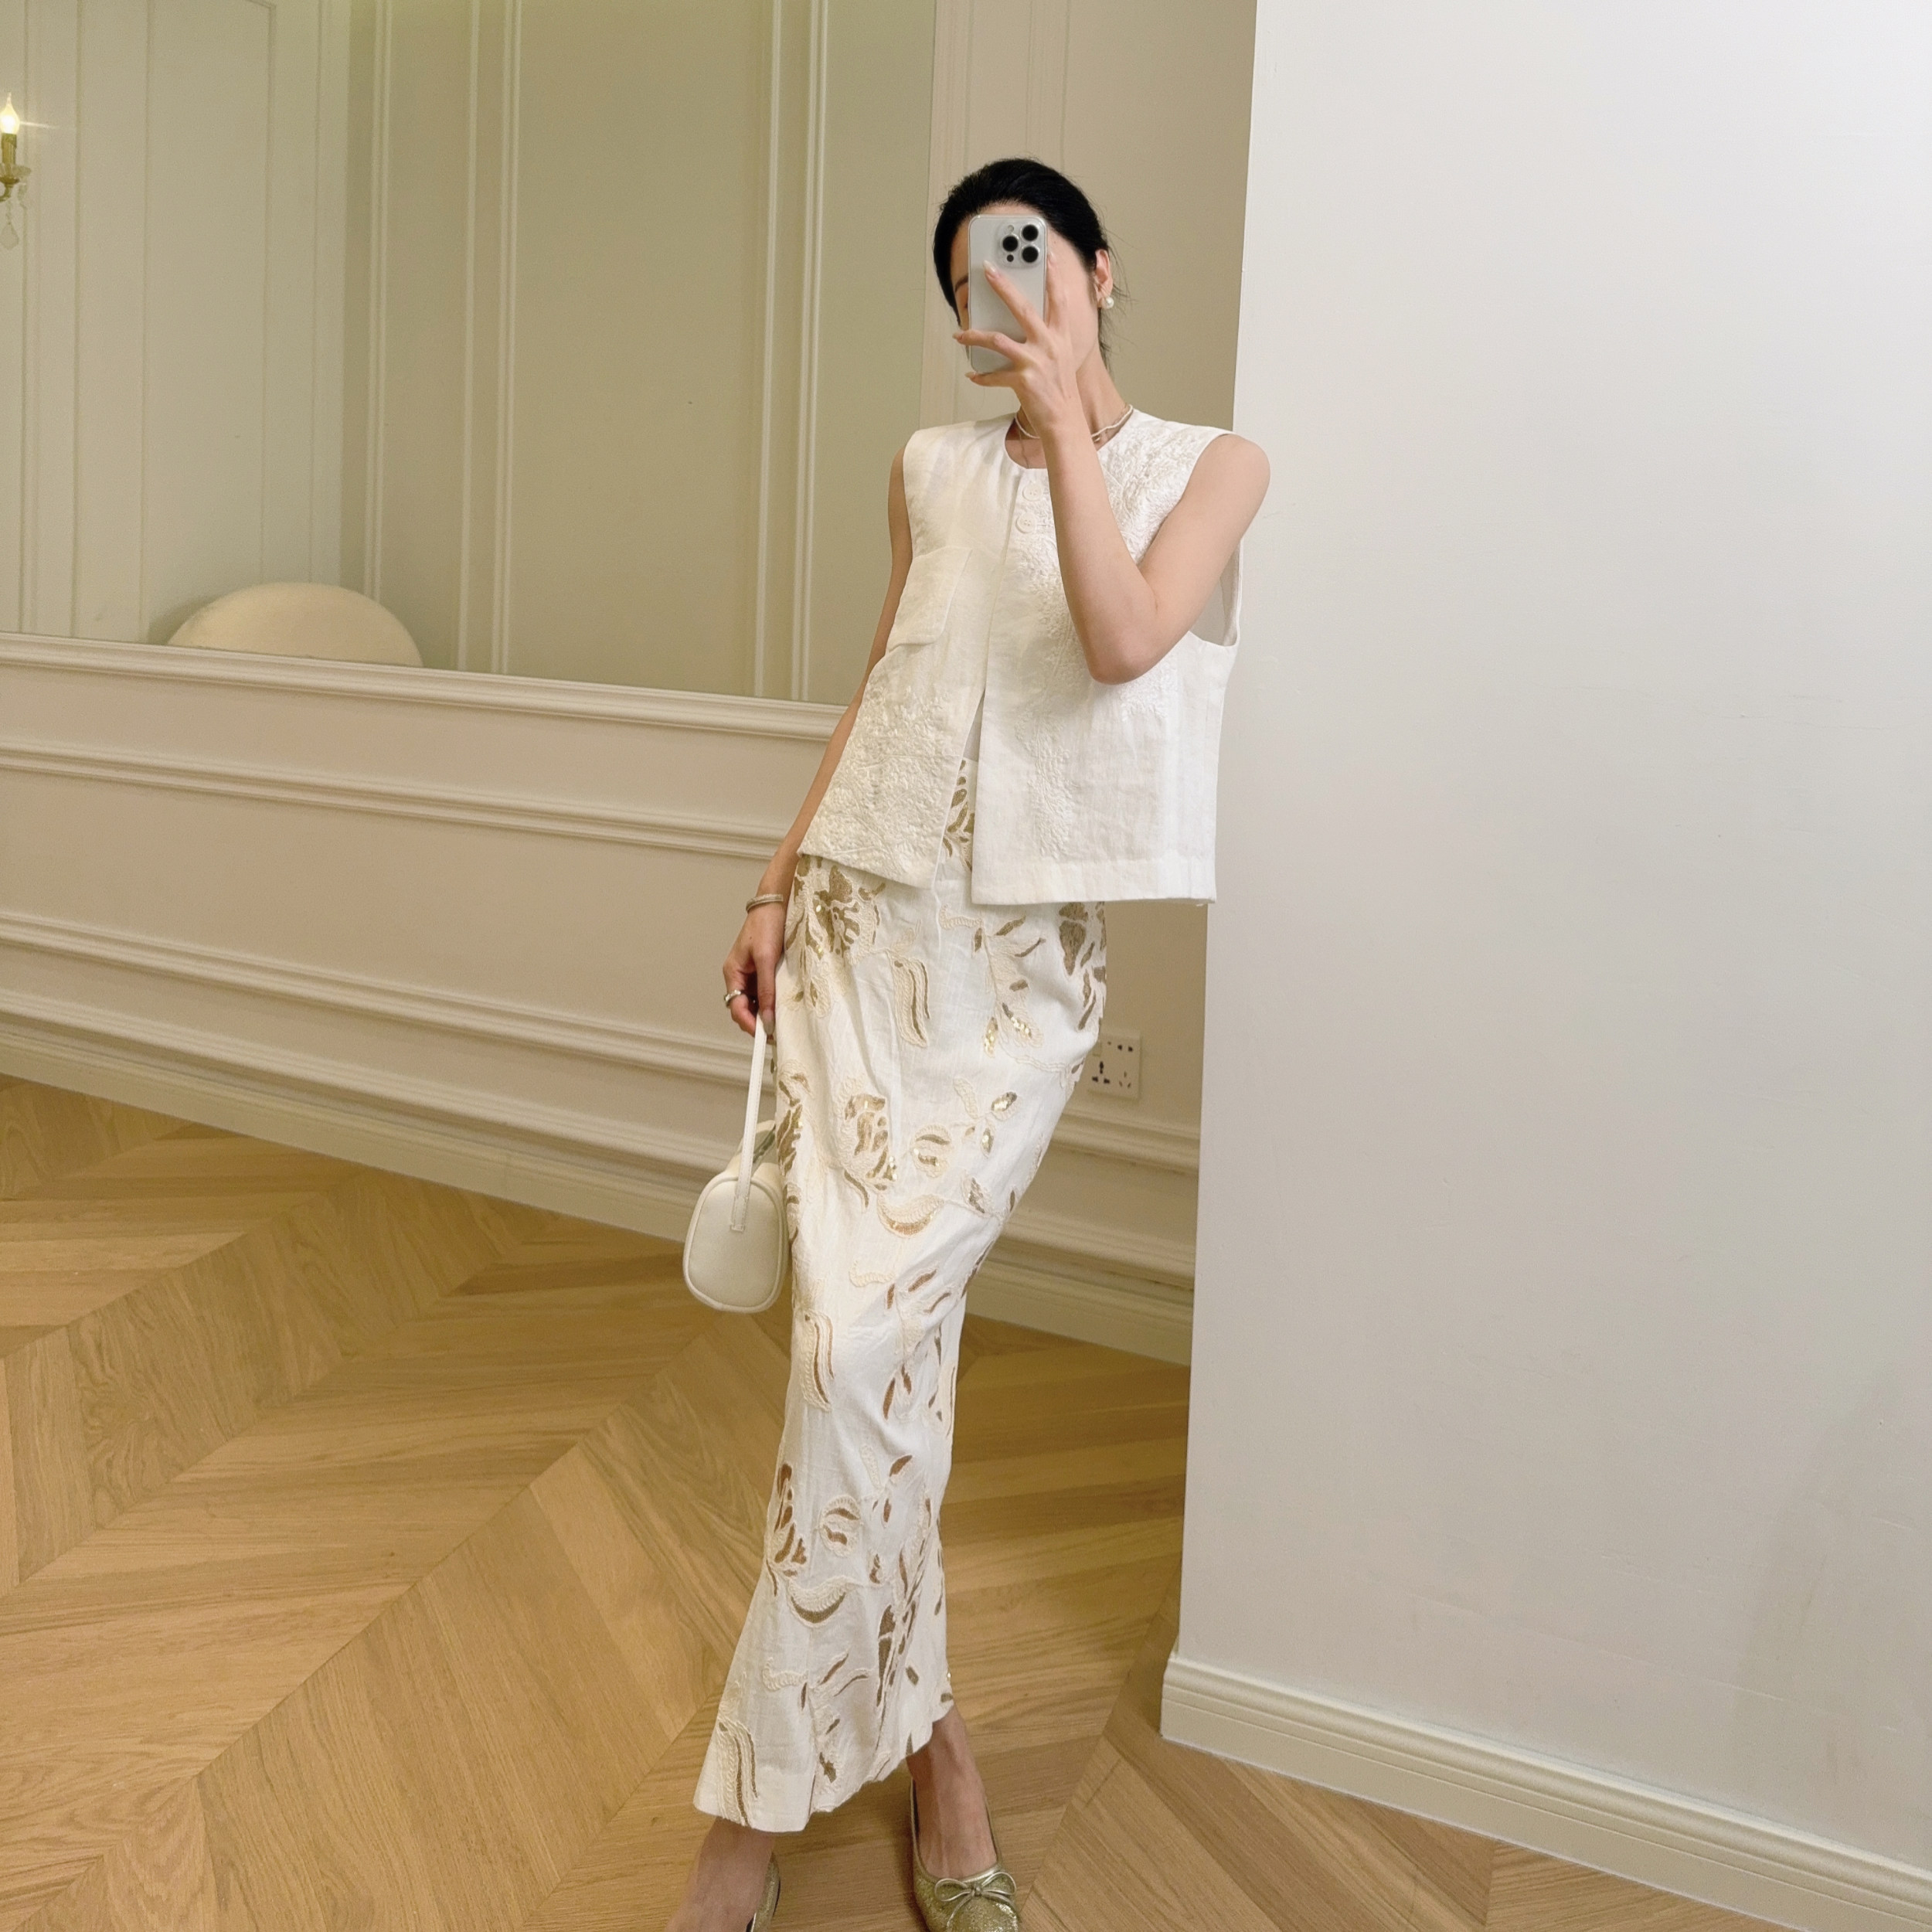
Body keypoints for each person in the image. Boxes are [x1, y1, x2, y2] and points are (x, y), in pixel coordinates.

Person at [669, 156, 1268, 1932]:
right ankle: (933, 1767)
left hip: (1009, 978)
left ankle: (748, 1831)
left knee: (857, 1347)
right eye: (968, 280)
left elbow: (1123, 636)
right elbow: (883, 681)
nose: (1000, 295)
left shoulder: (1211, 465)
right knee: (866, 1367)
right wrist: (773, 879)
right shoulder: (926, 468)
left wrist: (1066, 417)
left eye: (1028, 260)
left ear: (1096, 270)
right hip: (857, 930)